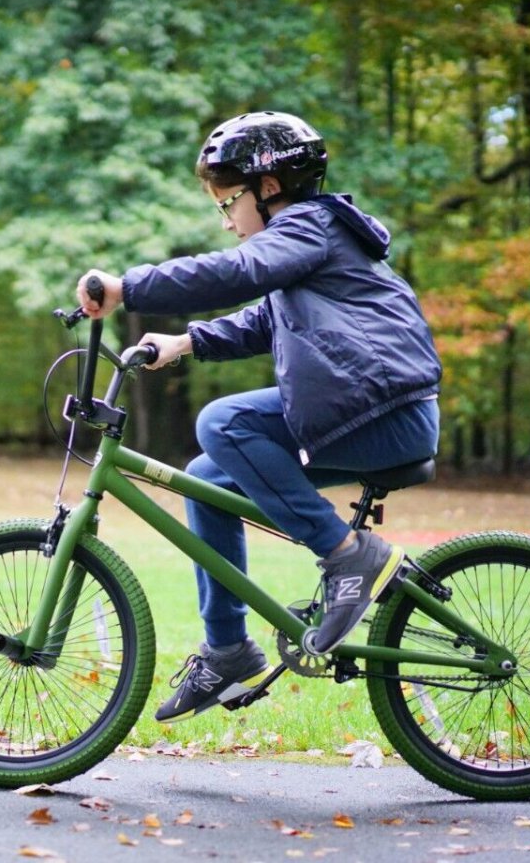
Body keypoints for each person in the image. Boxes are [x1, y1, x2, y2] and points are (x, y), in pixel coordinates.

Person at [75, 111, 442, 723]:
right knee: (207, 477)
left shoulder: (312, 225)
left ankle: (348, 553)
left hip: (385, 413)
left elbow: (239, 273)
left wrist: (128, 288)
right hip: (364, 410)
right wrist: (184, 343)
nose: (227, 222)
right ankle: (226, 650)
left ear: (269, 187)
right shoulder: (309, 248)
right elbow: (264, 320)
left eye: (229, 203)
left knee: (223, 422)